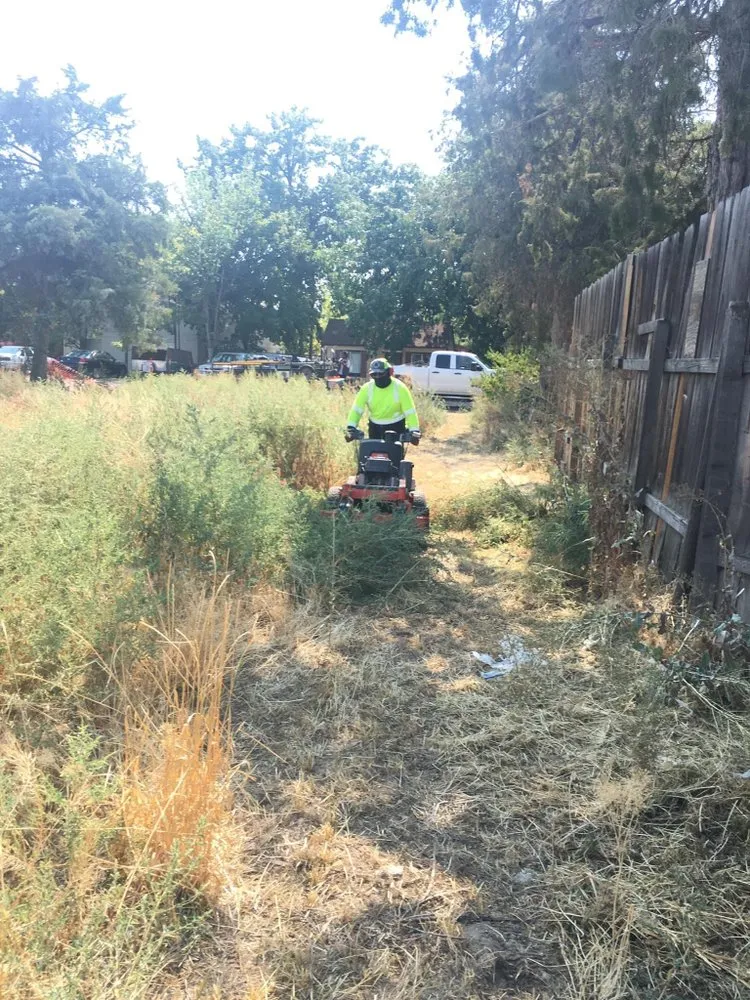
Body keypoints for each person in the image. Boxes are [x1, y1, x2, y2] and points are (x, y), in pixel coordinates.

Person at [345, 357, 421, 442]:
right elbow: (356, 410)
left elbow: (410, 412)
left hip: (397, 427)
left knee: (395, 454)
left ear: (389, 372)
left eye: (381, 374)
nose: (378, 377)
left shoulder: (400, 388)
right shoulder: (367, 388)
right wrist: (351, 427)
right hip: (374, 428)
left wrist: (414, 430)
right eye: (374, 375)